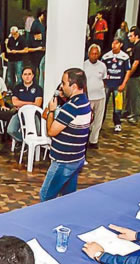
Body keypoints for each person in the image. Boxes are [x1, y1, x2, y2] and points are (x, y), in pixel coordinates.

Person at [40, 68, 91, 202]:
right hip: (76, 158)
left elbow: (51, 131)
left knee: (46, 196)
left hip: (63, 161)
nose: (61, 86)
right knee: (68, 198)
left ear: (73, 86)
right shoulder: (85, 101)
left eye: (63, 83)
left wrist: (52, 111)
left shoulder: (71, 107)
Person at [7, 66, 43, 143]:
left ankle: (31, 144)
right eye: (25, 74)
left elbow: (37, 104)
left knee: (38, 133)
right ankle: (24, 141)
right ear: (22, 76)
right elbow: (15, 102)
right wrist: (31, 103)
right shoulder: (17, 87)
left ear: (33, 76)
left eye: (29, 74)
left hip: (34, 115)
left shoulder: (38, 88)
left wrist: (22, 104)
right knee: (10, 130)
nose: (27, 76)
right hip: (19, 113)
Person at [102, 38, 131, 133]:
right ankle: (100, 123)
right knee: (103, 105)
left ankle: (117, 123)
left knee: (118, 105)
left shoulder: (124, 56)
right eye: (113, 43)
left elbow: (128, 71)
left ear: (121, 44)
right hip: (107, 84)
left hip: (118, 85)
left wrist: (124, 84)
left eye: (116, 43)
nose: (114, 45)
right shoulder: (106, 56)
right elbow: (101, 69)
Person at [84, 44, 107, 148]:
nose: (94, 55)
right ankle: (85, 139)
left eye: (96, 53)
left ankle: (94, 140)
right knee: (87, 120)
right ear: (89, 54)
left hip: (100, 96)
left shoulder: (102, 66)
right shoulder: (84, 65)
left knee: (98, 119)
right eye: (92, 53)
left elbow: (104, 79)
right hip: (88, 97)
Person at [124, 27, 140, 124]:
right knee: (129, 94)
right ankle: (128, 111)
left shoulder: (139, 47)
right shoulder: (135, 46)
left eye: (131, 36)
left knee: (135, 95)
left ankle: (136, 116)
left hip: (137, 75)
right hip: (134, 75)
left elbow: (136, 63)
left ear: (136, 36)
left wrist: (129, 73)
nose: (129, 38)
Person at [28, 10, 46, 85]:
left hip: (41, 50)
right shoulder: (36, 24)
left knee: (41, 67)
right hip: (36, 50)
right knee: (35, 68)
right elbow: (33, 36)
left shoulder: (43, 24)